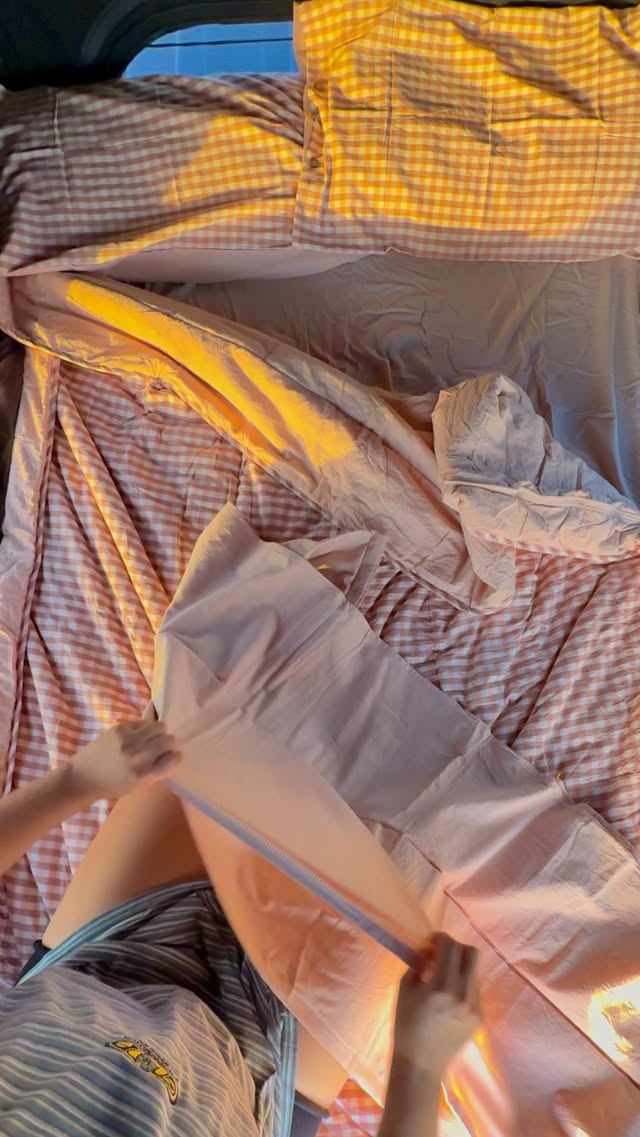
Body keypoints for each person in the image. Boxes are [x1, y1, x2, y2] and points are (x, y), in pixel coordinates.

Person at [0, 716, 481, 1137]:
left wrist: (77, 780)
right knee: (415, 822)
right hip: (263, 1080)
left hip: (106, 968)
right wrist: (418, 1065)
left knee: (208, 720)